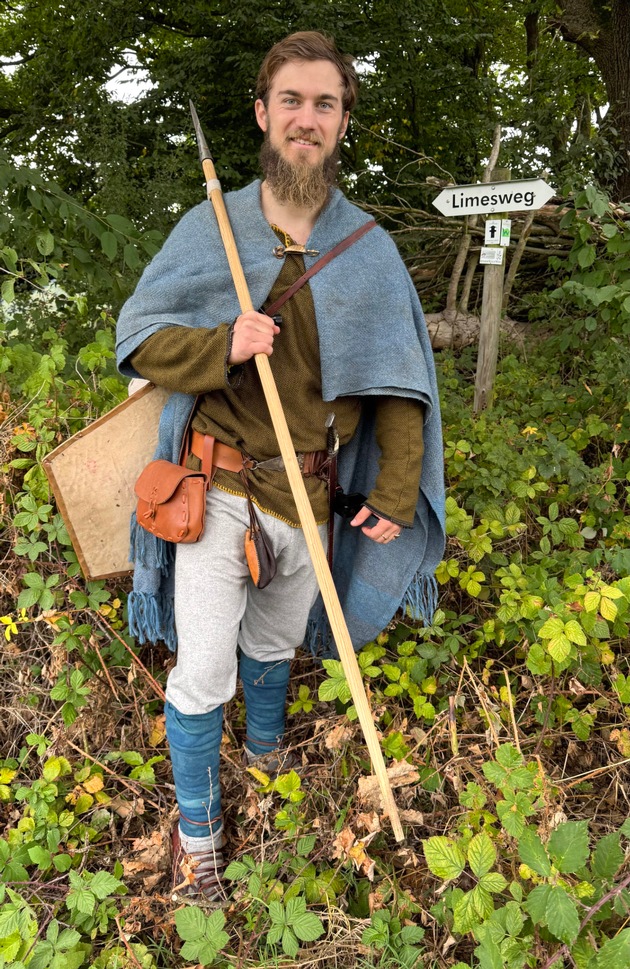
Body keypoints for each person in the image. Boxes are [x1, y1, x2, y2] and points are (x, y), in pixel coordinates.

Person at [116, 31, 445, 900]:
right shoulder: (212, 228)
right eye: (291, 101)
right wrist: (225, 341)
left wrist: (397, 490)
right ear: (264, 114)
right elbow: (140, 338)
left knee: (273, 645)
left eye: (324, 104)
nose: (307, 119)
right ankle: (198, 837)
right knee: (203, 667)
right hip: (218, 487)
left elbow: (400, 388)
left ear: (341, 124)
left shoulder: (368, 247)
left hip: (311, 494)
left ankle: (263, 771)